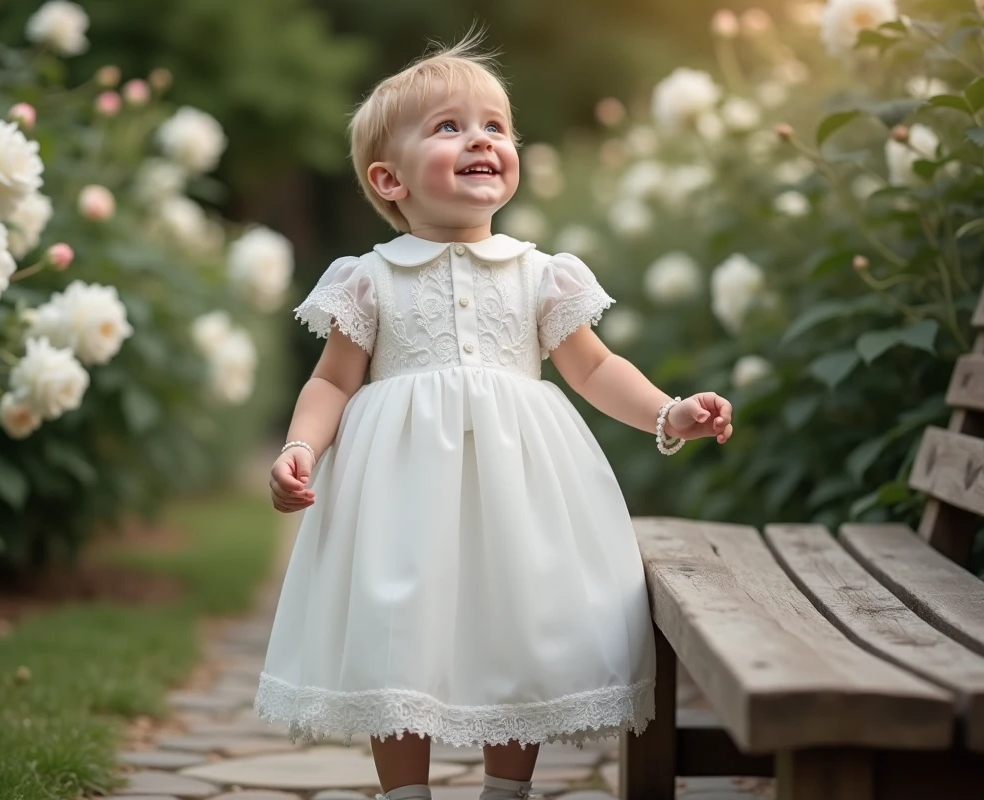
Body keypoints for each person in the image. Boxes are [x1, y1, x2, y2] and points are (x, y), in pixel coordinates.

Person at [255, 30, 734, 800]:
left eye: (496, 126)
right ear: (390, 178)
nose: (481, 139)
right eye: (448, 127)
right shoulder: (370, 280)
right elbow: (333, 383)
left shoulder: (539, 274)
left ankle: (505, 791)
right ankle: (406, 792)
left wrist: (668, 412)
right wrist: (300, 446)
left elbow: (595, 368)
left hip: (520, 488)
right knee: (398, 628)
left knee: (519, 623)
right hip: (402, 495)